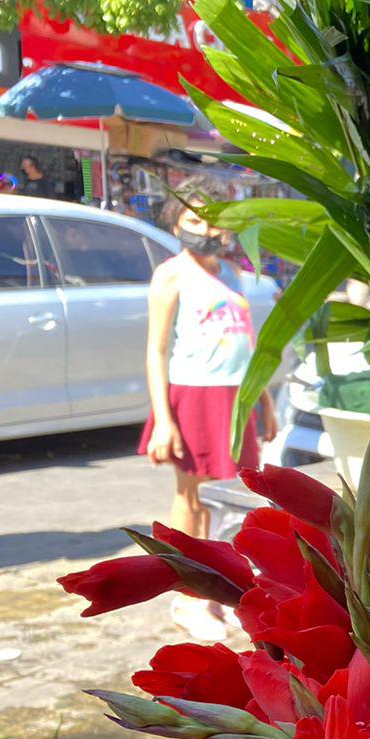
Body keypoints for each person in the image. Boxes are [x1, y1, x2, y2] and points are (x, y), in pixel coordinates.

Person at [140, 196, 276, 639]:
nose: (205, 229)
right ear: (176, 221)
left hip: (238, 397)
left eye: (213, 220)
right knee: (194, 499)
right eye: (193, 218)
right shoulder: (172, 275)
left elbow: (249, 344)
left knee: (226, 500)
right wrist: (164, 419)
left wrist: (266, 402)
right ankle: (186, 596)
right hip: (194, 395)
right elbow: (156, 350)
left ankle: (215, 589)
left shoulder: (231, 274)